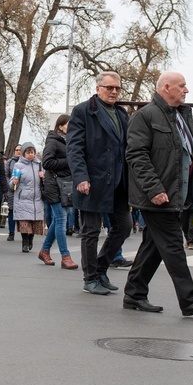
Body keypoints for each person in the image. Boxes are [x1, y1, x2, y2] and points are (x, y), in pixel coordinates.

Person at [124, 71, 193, 315]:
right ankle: (189, 300)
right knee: (173, 246)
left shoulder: (182, 115)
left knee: (154, 246)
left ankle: (134, 294)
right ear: (166, 87)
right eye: (182, 86)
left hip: (178, 194)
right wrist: (154, 188)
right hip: (157, 195)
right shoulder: (145, 116)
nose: (186, 90)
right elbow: (137, 155)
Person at [66, 71, 133, 295]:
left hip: (118, 182)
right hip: (92, 181)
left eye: (117, 88)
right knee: (91, 231)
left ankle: (101, 268)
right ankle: (90, 278)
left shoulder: (122, 114)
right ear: (98, 88)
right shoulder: (83, 111)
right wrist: (81, 177)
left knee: (124, 226)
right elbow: (74, 148)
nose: (114, 92)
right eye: (109, 88)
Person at [39, 115, 79, 269]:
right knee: (61, 218)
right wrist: (69, 160)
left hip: (65, 184)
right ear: (61, 126)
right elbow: (47, 162)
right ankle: (65, 256)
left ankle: (45, 250)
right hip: (53, 185)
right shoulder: (53, 141)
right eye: (70, 124)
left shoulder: (69, 141)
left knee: (59, 219)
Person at [10, 142, 44, 253]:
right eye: (28, 152)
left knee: (34, 221)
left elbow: (45, 180)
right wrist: (14, 182)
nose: (30, 154)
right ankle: (24, 242)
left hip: (36, 198)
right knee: (24, 222)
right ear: (24, 153)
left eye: (32, 152)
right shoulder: (18, 165)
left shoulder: (39, 164)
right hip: (23, 197)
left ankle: (30, 239)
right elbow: (12, 184)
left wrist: (43, 177)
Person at [5, 144, 21, 241]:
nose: (18, 151)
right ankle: (11, 232)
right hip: (12, 190)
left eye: (20, 150)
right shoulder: (10, 162)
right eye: (17, 150)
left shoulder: (26, 162)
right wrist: (10, 184)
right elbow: (6, 174)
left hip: (22, 191)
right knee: (11, 211)